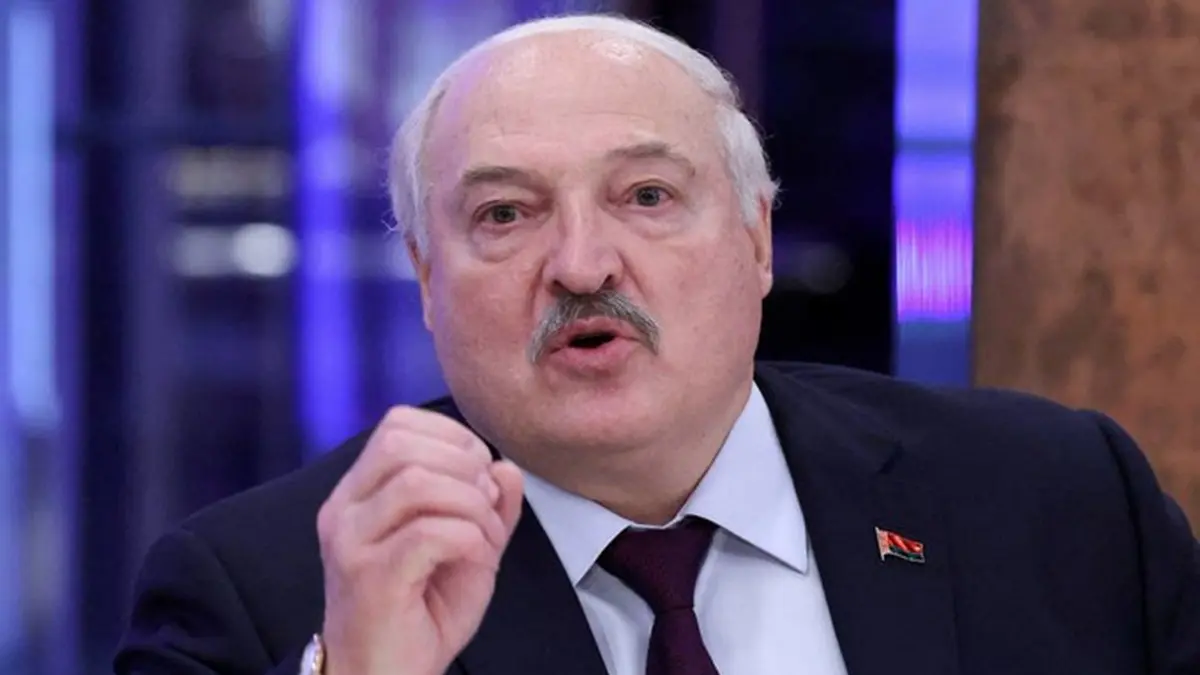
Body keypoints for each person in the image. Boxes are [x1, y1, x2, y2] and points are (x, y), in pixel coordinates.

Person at [115, 12, 1200, 675]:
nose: (583, 264)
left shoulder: (1058, 497)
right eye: (505, 213)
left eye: (646, 196)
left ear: (756, 238)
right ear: (428, 280)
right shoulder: (260, 593)